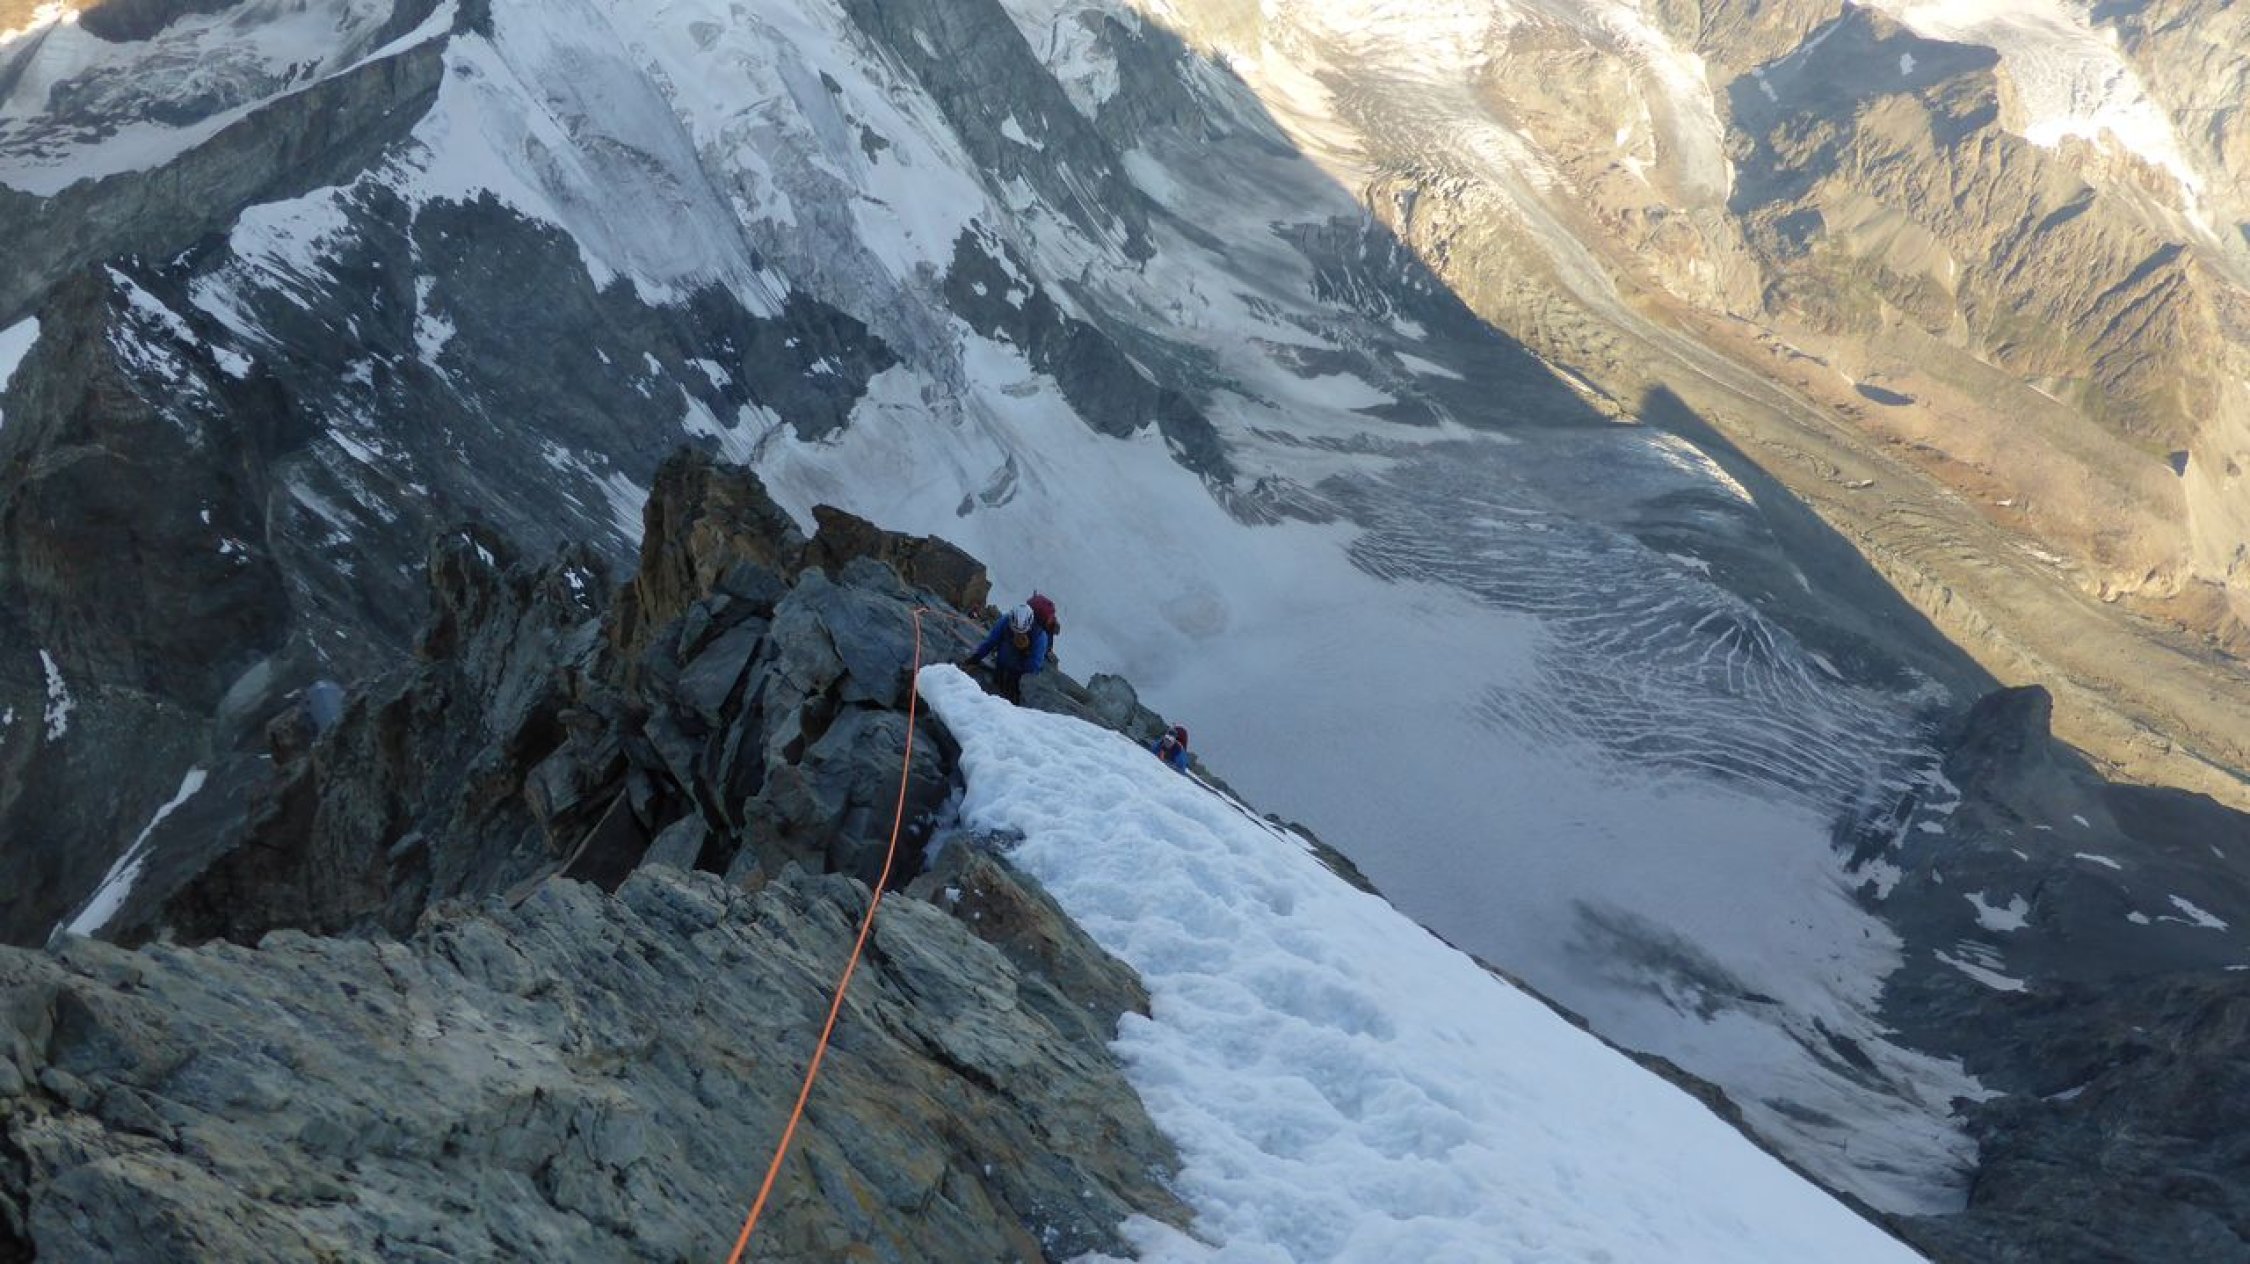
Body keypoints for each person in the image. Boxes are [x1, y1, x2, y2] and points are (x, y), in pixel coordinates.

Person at [962, 603, 1050, 705]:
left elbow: (1034, 664)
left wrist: (1018, 675)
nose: (1018, 634)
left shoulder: (1039, 636)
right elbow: (991, 642)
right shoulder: (1005, 621)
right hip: (1002, 665)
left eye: (1022, 631)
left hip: (1018, 673)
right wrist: (975, 658)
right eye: (1015, 630)